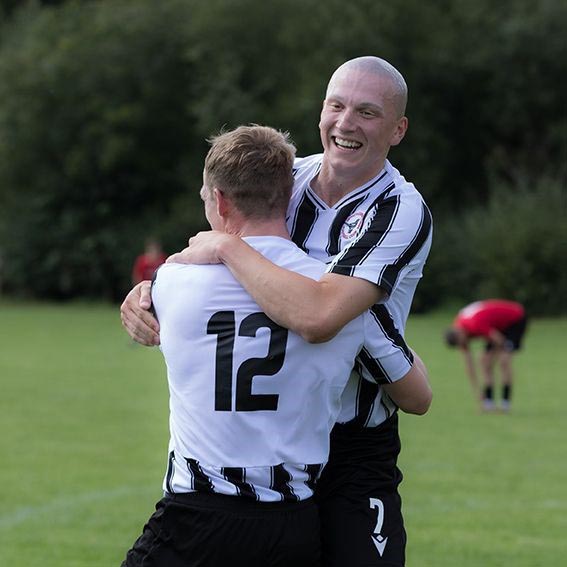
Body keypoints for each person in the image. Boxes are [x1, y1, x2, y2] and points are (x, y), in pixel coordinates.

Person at [121, 56, 433, 566]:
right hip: (280, 435)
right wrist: (149, 290)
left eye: (367, 112)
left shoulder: (399, 208)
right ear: (321, 111)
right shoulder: (287, 177)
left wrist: (225, 249)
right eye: (337, 105)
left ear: (397, 130)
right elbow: (228, 232)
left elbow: (319, 315)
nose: (346, 122)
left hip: (353, 439)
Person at [445, 299, 527, 412]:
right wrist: (477, 393)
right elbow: (469, 365)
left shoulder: (474, 324)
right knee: (485, 362)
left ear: (460, 333)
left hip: (515, 319)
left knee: (504, 361)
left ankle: (505, 404)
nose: (463, 344)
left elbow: (499, 340)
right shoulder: (459, 330)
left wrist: (500, 352)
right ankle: (488, 403)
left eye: (462, 341)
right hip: (496, 326)